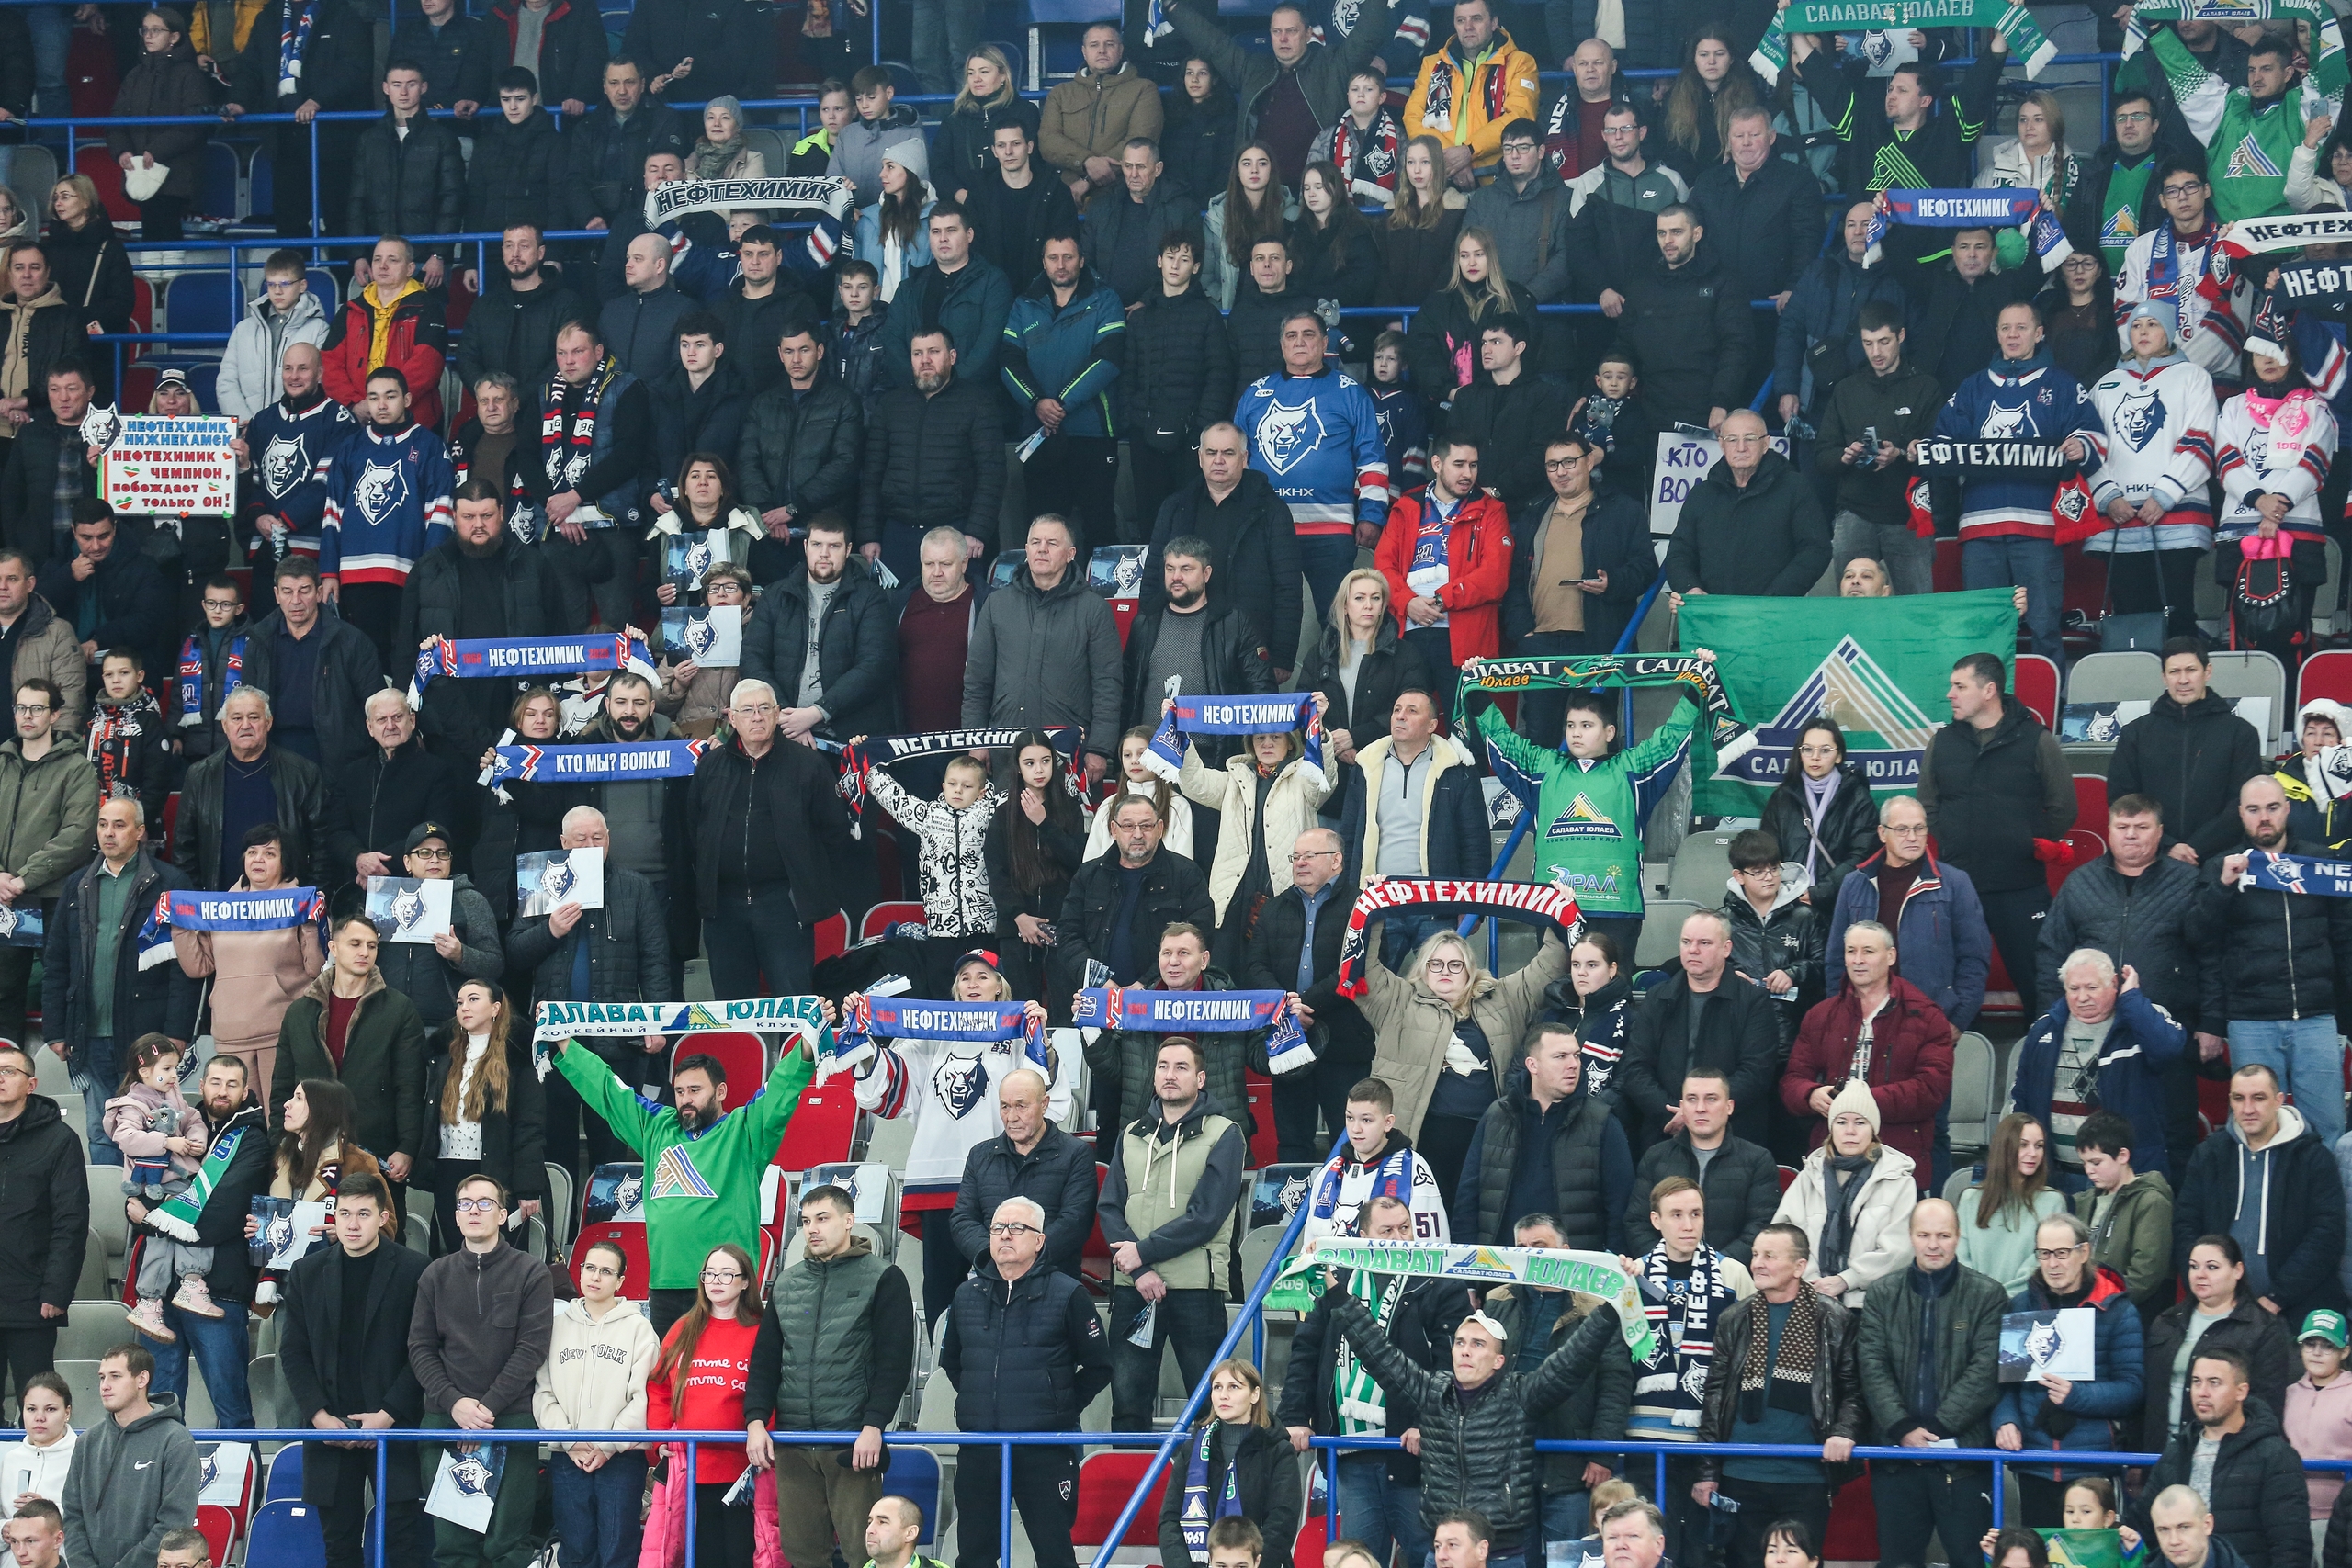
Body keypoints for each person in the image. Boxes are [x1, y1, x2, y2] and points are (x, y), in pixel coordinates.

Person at [1317, 1258, 1627, 1568]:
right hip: (1444, 1553)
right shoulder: (1431, 1392)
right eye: (1460, 1343)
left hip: (1502, 1555)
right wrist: (1334, 1289)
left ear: (1498, 1361)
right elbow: (1377, 1350)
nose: (1465, 1350)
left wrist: (1614, 1303)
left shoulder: (1520, 1395)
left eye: (1478, 1344)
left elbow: (1573, 1359)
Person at [548, 1031, 812, 1335]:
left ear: (721, 1091)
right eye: (680, 1091)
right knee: (668, 1367)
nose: (686, 1100)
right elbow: (608, 1090)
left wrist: (808, 1041)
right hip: (665, 1287)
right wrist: (563, 1041)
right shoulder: (656, 1126)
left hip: (727, 1285)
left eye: (695, 1090)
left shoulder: (744, 1130)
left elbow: (781, 1089)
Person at [741, 1182, 913, 1568]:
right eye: (805, 1221)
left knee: (865, 1553)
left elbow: (895, 1361)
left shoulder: (883, 1277)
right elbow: (765, 1361)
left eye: (822, 1218)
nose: (812, 1229)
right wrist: (755, 1421)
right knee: (801, 1554)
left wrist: (874, 1426)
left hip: (852, 1442)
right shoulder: (787, 1282)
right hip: (793, 1443)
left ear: (849, 1221)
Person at [937, 1196, 1114, 1568]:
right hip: (980, 1447)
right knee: (974, 1556)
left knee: (1054, 1556)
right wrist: (977, 1399)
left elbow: (1100, 1366)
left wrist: (1060, 1406)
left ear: (1039, 1240)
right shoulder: (965, 1295)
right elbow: (952, 1362)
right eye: (997, 1228)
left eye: (1017, 1228)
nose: (1005, 1235)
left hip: (1044, 1448)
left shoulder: (1068, 1293)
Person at [2036, 793, 2203, 1172]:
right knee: (2101, 1137)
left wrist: (2212, 1023)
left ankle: (2171, 1208)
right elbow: (2050, 954)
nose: (2131, 835)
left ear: (2160, 833)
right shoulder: (2081, 882)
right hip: (2093, 1035)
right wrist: (2050, 1020)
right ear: (2109, 831)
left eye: (2141, 827)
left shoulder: (2188, 883)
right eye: (2122, 827)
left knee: (2174, 1133)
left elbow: (2211, 954)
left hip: (2168, 1033)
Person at [278, 1172, 430, 1568]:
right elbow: (293, 1352)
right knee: (339, 1550)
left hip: (393, 1427)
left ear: (383, 1217)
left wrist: (388, 1414)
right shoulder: (307, 1272)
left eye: (363, 1214)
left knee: (403, 1548)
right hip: (329, 1430)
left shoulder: (415, 1269)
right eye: (344, 1213)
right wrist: (318, 1416)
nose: (352, 1224)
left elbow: (423, 1352)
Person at [2192, 778, 2352, 1153]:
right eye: (2254, 809)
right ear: (2240, 814)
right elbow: (2198, 937)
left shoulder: (2321, 862)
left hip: (2316, 1018)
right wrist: (2222, 887)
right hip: (2251, 1022)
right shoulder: (2220, 867)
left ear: (2287, 809)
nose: (2264, 817)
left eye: (2272, 807)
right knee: (2253, 1134)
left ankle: (2322, 1196)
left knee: (2327, 1131)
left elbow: (2346, 941)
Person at [1099, 1036, 1250, 1430]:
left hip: (1195, 1289)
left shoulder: (1225, 1133)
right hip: (1133, 1287)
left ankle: (1209, 1473)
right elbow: (1109, 1209)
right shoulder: (1131, 1134)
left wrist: (1142, 1253)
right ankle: (1135, 1474)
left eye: (1181, 1067)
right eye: (1163, 1066)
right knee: (1128, 1406)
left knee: (1211, 1408)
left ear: (1200, 1079)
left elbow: (1207, 1216)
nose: (1170, 1075)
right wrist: (1139, 1270)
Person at [1917, 654, 2075, 1030]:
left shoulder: (2036, 740)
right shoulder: (1942, 742)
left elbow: (2064, 808)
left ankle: (2042, 1056)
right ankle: (1958, 1060)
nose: (1950, 694)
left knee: (2040, 985)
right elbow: (1927, 805)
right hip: (1959, 886)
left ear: (1989, 690)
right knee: (1952, 988)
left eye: (1959, 686)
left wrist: (2023, 842)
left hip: (2021, 888)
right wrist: (1955, 839)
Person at [1690, 1221, 1863, 1561]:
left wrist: (1843, 1431)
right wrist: (1707, 1471)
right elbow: (1715, 1397)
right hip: (1741, 1475)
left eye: (1770, 1256)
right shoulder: (1733, 1318)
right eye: (1756, 1254)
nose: (1757, 1263)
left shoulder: (1835, 1318)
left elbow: (1854, 1392)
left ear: (1799, 1267)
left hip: (1806, 1477)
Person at [408, 1173, 553, 1568]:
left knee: (507, 1547)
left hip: (511, 1420)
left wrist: (484, 1411)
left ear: (503, 1215)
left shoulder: (532, 1272)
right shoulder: (434, 1275)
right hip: (445, 1421)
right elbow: (420, 1348)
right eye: (465, 1204)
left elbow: (531, 1349)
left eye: (485, 1203)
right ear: (455, 1217)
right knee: (453, 1550)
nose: (474, 1210)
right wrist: (456, 1406)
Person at [43, 797, 197, 1165]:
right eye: (102, 824)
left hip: (147, 1033)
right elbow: (57, 959)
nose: (108, 833)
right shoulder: (77, 883)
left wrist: (177, 1031)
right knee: (101, 1132)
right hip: (88, 1030)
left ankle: (144, 1201)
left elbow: (185, 966)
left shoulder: (170, 883)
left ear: (140, 832)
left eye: (119, 825)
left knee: (154, 1130)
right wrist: (55, 1029)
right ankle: (110, 1202)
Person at [1856, 1196, 2007, 1568]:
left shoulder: (1988, 1295)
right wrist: (1903, 1428)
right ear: (1910, 1237)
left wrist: (1936, 1431)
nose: (1933, 1245)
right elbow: (1872, 1366)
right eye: (1924, 1235)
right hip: (1896, 1459)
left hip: (1964, 1459)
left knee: (1971, 1561)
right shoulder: (1881, 1294)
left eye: (1943, 1235)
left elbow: (1986, 1371)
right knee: (1897, 1562)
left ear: (1958, 1237)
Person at [684, 681, 856, 999]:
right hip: (724, 908)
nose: (757, 716)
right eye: (747, 710)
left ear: (777, 714)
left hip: (784, 905)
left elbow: (834, 832)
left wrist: (806, 885)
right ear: (732, 718)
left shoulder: (808, 765)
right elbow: (695, 829)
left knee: (794, 1005)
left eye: (765, 708)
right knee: (733, 1010)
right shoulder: (710, 766)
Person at [1989, 1212, 2146, 1524]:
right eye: (2044, 1253)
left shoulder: (2118, 1310)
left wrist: (2077, 1396)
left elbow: (2132, 1389)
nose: (2052, 1263)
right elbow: (2004, 1385)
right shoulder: (2020, 1307)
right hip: (2034, 1463)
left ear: (2084, 1252)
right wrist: (2005, 1421)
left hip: (2092, 1466)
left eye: (2061, 1253)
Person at [1235, 310, 1390, 623]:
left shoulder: (1350, 392)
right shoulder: (1255, 393)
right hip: (1267, 527)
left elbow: (1371, 459)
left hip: (1331, 530)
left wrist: (1372, 515)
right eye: (1291, 336)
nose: (1299, 342)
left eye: (1308, 335)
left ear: (1324, 342)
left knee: (1339, 622)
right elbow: (1236, 458)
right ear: (1282, 344)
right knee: (1261, 621)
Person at [1781, 912, 1958, 1184]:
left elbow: (1931, 1090)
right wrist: (1811, 1095)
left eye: (1868, 951)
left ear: (1891, 956)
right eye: (1851, 951)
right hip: (1830, 1157)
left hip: (1898, 1158)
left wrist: (1860, 1102)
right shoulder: (1820, 1016)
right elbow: (1792, 1081)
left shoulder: (1927, 1017)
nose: (1858, 959)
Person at [268, 913, 426, 1216]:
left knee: (380, 1229)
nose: (364, 952)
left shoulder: (399, 1009)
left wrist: (406, 1147)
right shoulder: (300, 1012)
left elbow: (410, 1086)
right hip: (306, 1150)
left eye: (372, 945)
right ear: (333, 948)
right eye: (355, 944)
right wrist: (278, 1142)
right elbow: (282, 1086)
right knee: (303, 1232)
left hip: (375, 1147)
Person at [1499, 434, 1655, 739]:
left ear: (1590, 461)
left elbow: (1647, 568)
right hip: (1540, 644)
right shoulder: (1534, 513)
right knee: (1540, 739)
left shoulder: (1623, 509)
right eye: (1552, 465)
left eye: (1569, 462)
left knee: (1595, 739)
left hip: (1598, 642)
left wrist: (1612, 583)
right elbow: (1514, 579)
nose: (1561, 471)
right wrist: (1522, 631)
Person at [1157, 0, 1412, 183]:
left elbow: (1367, 35)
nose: (1283, 39)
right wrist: (1173, 7)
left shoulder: (1332, 65)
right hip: (1264, 190)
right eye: (1277, 32)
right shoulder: (1253, 68)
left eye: (1291, 31)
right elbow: (1213, 45)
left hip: (1317, 190)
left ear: (1308, 34)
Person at [1239, 830, 1374, 1159]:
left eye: (1309, 856)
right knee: (1292, 1142)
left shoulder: (1360, 906)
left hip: (1344, 1042)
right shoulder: (1274, 907)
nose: (1299, 863)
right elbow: (1254, 965)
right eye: (1296, 856)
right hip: (1287, 1040)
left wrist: (1306, 1005)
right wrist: (1288, 1009)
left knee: (1350, 1143)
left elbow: (1357, 968)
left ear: (1336, 860)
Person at [964, 515, 1123, 786]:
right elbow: (977, 681)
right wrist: (976, 741)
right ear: (1026, 549)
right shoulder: (996, 604)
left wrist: (1099, 748)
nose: (1042, 549)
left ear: (1070, 554)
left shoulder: (1094, 609)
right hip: (1006, 751)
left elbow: (1108, 685)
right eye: (1035, 542)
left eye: (1052, 543)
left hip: (1068, 752)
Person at [1139, 423, 1302, 681]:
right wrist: (1145, 639)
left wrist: (1282, 656)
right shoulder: (1175, 507)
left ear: (1244, 459)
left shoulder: (1271, 510)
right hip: (1183, 644)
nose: (1218, 460)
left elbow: (1288, 587)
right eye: (1211, 452)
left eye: (1228, 453)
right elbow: (1153, 576)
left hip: (1249, 647)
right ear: (1200, 458)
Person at [534, 1234, 658, 1568]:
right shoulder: (555, 1327)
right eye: (590, 1268)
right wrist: (569, 1440)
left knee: (618, 1549)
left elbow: (644, 1396)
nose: (595, 1277)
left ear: (620, 1280)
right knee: (576, 1550)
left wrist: (607, 1445)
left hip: (620, 1457)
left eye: (606, 1271)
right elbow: (543, 1392)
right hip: (567, 1456)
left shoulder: (640, 1329)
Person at [2012, 948, 2186, 1181]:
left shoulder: (2142, 1019)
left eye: (2092, 988)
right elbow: (2021, 1095)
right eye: (2074, 989)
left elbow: (2169, 1050)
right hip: (2056, 1175)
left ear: (2114, 983)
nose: (2082, 998)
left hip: (2129, 1176)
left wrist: (2131, 999)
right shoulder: (2044, 1028)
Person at [1455, 1020, 1632, 1250]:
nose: (1573, 1065)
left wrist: (1613, 1263)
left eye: (1576, 1056)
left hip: (1573, 1265)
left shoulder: (1602, 1121)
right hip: (1501, 1262)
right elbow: (1468, 1198)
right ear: (1532, 1065)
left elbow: (1620, 1204)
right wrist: (1467, 1267)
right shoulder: (1498, 1115)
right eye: (1560, 1057)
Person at [1810, 302, 1943, 595]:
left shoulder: (1926, 387)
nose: (1876, 352)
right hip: (1854, 512)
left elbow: (1941, 453)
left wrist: (1904, 453)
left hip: (1908, 514)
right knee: (1851, 609)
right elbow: (1822, 456)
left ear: (1901, 336)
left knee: (1915, 609)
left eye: (1884, 342)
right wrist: (1844, 456)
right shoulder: (1846, 389)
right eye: (1868, 343)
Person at [1618, 911, 1780, 1151]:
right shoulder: (1657, 997)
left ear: (1726, 948)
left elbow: (1756, 1072)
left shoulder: (1753, 1001)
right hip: (1664, 1134)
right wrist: (1671, 1113)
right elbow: (1635, 1067)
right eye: (1686, 942)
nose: (1692, 950)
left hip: (1734, 1139)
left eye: (1704, 943)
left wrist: (1699, 1113)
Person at [2138, 1346, 2312, 1568]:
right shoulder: (2177, 1452)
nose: (2202, 1392)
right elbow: (2143, 1523)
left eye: (2214, 1382)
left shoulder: (2275, 1457)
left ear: (2241, 1391)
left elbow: (2290, 1547)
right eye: (2196, 1381)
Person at [859, 328, 1005, 590]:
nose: (925, 360)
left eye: (933, 352)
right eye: (917, 353)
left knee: (955, 611)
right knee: (896, 611)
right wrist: (870, 534)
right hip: (898, 534)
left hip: (956, 532)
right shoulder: (891, 404)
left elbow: (991, 474)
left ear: (952, 356)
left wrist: (976, 531)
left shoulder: (978, 403)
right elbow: (872, 474)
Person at [0, 677, 99, 1049]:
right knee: (4, 990)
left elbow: (78, 835)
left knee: (62, 985)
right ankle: (6, 1070)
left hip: (55, 896)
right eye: (21, 708)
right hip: (6, 898)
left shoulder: (77, 768)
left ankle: (68, 1067)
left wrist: (23, 878)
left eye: (37, 708)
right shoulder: (1, 762)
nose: (28, 716)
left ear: (55, 714)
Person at [738, 515, 896, 746]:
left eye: (834, 546)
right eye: (816, 544)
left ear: (848, 550)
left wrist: (817, 712)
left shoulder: (871, 598)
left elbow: (875, 665)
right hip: (783, 730)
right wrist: (785, 716)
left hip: (848, 735)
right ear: (805, 546)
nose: (824, 553)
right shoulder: (775, 595)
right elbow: (752, 658)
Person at [413, 979, 542, 1253]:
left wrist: (528, 1188)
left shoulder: (518, 1055)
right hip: (448, 1168)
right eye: (460, 1002)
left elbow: (528, 1125)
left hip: (495, 1169)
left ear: (495, 1008)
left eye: (473, 999)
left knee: (500, 1257)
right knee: (457, 1253)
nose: (464, 1007)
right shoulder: (443, 1054)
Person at [2110, 640, 2267, 865]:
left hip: (2221, 860)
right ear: (2164, 677)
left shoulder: (2241, 733)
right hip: (2153, 860)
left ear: (2207, 672)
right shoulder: (2135, 734)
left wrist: (2195, 848)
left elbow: (2243, 803)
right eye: (2174, 672)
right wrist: (2167, 845)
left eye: (2191, 670)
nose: (2183, 680)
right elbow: (2123, 800)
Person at [1771, 1081, 1918, 1306]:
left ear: (1873, 1130)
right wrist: (1813, 1284)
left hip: (1872, 1305)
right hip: (1808, 1300)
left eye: (1860, 1122)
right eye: (1841, 1122)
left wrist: (1846, 1280)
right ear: (1831, 1128)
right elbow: (1784, 1237)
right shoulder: (1809, 1176)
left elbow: (1899, 1250)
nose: (1850, 1130)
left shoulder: (1899, 1181)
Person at [2145, 1231, 2300, 1445]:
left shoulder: (2263, 1327)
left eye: (2212, 1267)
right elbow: (2148, 1395)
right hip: (2161, 1449)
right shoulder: (2166, 1321)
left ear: (2237, 1270)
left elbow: (2266, 1404)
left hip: (2227, 1450)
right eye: (2193, 1266)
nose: (2200, 1275)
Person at [0, 1039, 85, 1414]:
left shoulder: (59, 1140)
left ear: (31, 1084)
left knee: (37, 1410)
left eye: (8, 1071)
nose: (0, 1078)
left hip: (32, 1299)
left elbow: (71, 1222)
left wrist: (57, 1290)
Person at [57, 1345, 198, 1568]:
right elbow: (73, 1515)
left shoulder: (176, 1441)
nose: (105, 1385)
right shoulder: (87, 1441)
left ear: (142, 1379)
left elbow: (174, 1523)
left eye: (115, 1376)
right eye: (102, 1377)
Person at [1155, 1360, 1302, 1568]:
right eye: (1217, 1387)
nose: (1223, 1395)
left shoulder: (1279, 1450)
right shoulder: (1191, 1449)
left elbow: (1282, 1522)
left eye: (1234, 1387)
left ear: (1255, 1394)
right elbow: (1170, 1519)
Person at [1623, 1070, 1781, 1261]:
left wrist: (1715, 1267)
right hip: (1664, 1273)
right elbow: (1637, 1223)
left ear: (1729, 1106)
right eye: (1692, 1099)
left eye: (1711, 1099)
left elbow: (1761, 1225)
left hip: (1731, 1274)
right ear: (1682, 1107)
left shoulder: (1758, 1160)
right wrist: (1669, 1265)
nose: (1700, 1108)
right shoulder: (1655, 1157)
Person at [738, 327, 864, 547]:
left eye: (804, 350)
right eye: (789, 351)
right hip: (769, 530)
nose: (796, 359)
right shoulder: (762, 404)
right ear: (780, 354)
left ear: (820, 351)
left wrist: (792, 509)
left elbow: (845, 464)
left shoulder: (844, 402)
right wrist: (768, 514)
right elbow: (747, 462)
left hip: (824, 529)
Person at [103, 9, 209, 242]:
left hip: (176, 172)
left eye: (156, 30)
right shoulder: (135, 75)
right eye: (145, 30)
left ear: (175, 37)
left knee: (167, 236)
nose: (148, 36)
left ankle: (169, 268)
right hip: (141, 171)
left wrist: (156, 150)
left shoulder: (190, 75)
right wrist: (122, 151)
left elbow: (194, 124)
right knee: (152, 236)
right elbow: (116, 118)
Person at [1037, 24, 1163, 201]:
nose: (1102, 50)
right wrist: (1086, 160)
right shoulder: (1061, 92)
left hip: (1120, 193)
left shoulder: (1144, 89)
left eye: (1109, 44)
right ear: (1084, 52)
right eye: (1094, 45)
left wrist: (1087, 181)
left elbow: (1141, 139)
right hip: (1064, 189)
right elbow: (1048, 140)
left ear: (1120, 50)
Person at [2073, 1109, 2177, 1317]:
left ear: (2122, 1155)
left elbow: (2146, 1273)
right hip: (2084, 1310)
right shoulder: (2084, 1201)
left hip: (2124, 1313)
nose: (2088, 1170)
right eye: (2084, 1163)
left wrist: (2103, 1304)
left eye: (2096, 1163)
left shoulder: (2151, 1201)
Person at [1956, 1113, 2071, 1293]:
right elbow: (1961, 1259)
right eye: (2023, 1145)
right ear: (2004, 1148)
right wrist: (1983, 1301)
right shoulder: (1970, 1199)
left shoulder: (2053, 1202)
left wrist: (2004, 1299)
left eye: (2039, 1146)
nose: (2033, 1153)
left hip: (2025, 1303)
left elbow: (2042, 1264)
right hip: (1975, 1303)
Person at [2288, 1310, 2352, 1540]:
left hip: (2342, 1516)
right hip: (2291, 1511)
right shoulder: (2288, 1394)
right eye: (2310, 1344)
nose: (2316, 1352)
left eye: (2327, 1346)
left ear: (2345, 1351)